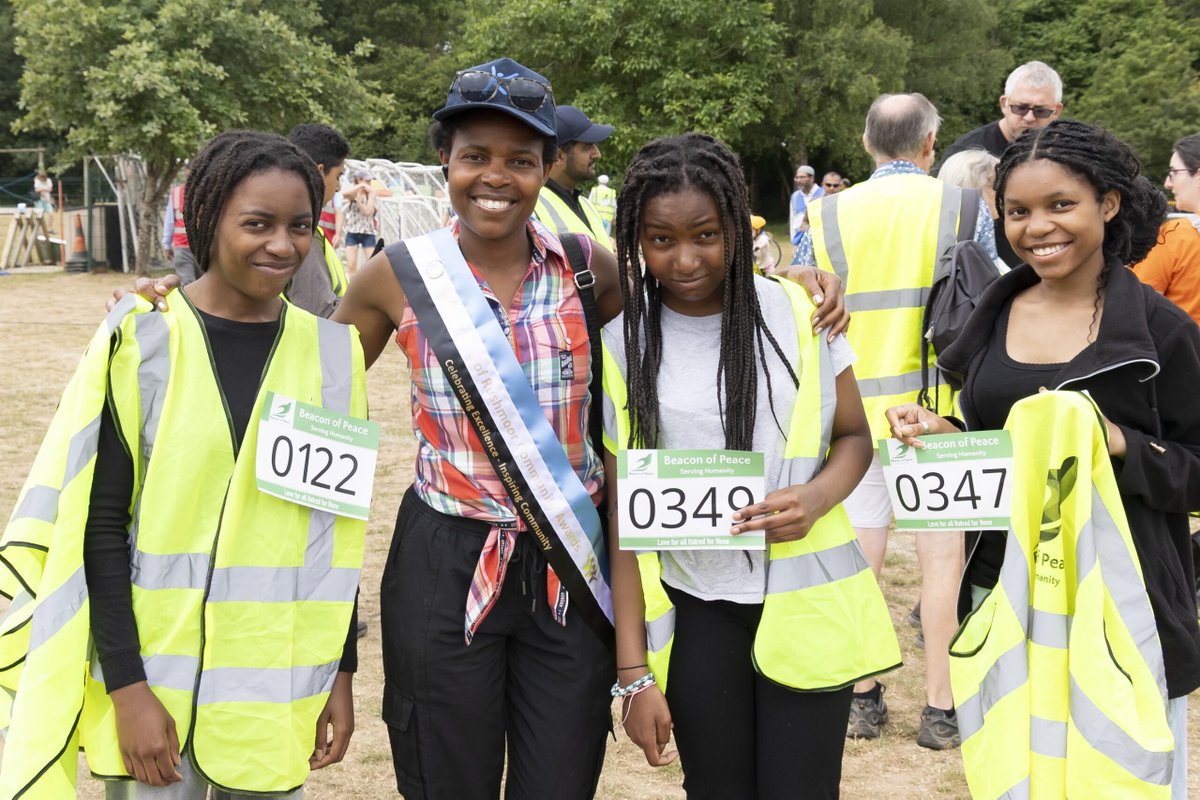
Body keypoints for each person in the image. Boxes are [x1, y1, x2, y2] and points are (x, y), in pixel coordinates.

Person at [110, 59, 848, 799]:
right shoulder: (394, 277)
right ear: (445, 160)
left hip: (567, 564)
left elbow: (694, 292)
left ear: (548, 167)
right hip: (444, 561)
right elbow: (301, 378)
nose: (496, 177)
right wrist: (189, 298)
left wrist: (796, 282)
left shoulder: (592, 272)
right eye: (475, 157)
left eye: (521, 160)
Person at [0, 130, 369, 798]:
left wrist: (338, 674)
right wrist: (128, 690)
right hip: (154, 700)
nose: (282, 244)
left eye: (300, 226)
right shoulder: (142, 340)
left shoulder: (335, 358)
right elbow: (102, 526)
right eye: (256, 224)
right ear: (207, 220)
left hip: (272, 692)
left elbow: (333, 535)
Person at [886, 119, 1200, 799]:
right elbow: (999, 438)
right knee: (1014, 773)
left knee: (1121, 780)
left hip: (1125, 604)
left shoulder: (1162, 332)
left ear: (1108, 204)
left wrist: (1120, 445)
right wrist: (945, 432)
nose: (1038, 228)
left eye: (1062, 205)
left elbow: (1194, 465)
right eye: (1018, 212)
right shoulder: (992, 319)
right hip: (1005, 589)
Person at [602, 132, 897, 799]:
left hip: (806, 607)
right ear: (637, 241)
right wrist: (634, 674)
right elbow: (621, 520)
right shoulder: (621, 344)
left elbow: (853, 435)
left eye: (705, 234)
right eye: (660, 240)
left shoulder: (800, 313)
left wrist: (818, 497)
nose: (685, 259)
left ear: (738, 224)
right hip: (699, 609)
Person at [789, 92, 997, 749]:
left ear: (866, 141)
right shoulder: (965, 207)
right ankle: (941, 709)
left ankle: (862, 696)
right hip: (937, 416)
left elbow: (798, 308)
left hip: (850, 417)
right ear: (932, 142)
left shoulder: (823, 215)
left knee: (859, 561)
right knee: (942, 566)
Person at [939, 61, 1065, 268]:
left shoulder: (1068, 151)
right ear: (1004, 103)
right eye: (1020, 108)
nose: (1029, 117)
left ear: (1057, 111)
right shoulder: (967, 155)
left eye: (1041, 111)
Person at [285, 123, 352, 319]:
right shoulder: (301, 235)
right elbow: (322, 315)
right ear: (319, 172)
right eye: (338, 176)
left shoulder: (295, 229)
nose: (339, 187)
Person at [1134, 133, 1200, 326]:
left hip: (1183, 351)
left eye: (1174, 172)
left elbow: (1134, 305)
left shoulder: (1175, 236)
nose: (1168, 183)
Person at [533, 104, 614, 251]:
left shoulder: (587, 205)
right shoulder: (532, 207)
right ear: (558, 157)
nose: (597, 154)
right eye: (587, 147)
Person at [938, 148, 1005, 271]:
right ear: (984, 186)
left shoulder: (934, 219)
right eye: (999, 186)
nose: (1003, 195)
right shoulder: (981, 222)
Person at [161, 163, 198, 285]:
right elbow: (170, 221)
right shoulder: (176, 193)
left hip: (199, 248)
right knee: (189, 284)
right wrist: (166, 244)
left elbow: (170, 222)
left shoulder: (209, 193)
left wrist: (167, 245)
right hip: (185, 247)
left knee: (192, 285)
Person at [340, 171, 378, 276]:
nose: (368, 183)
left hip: (368, 232)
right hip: (352, 231)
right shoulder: (353, 191)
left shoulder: (371, 193)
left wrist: (356, 201)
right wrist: (359, 186)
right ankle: (352, 290)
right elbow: (344, 194)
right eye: (366, 180)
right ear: (359, 179)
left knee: (371, 264)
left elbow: (368, 211)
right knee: (351, 265)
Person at [789, 165, 823, 245]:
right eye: (797, 177)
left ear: (811, 178)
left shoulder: (823, 193)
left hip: (819, 241)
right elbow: (792, 219)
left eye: (802, 177)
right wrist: (793, 241)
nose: (798, 180)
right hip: (800, 241)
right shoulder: (795, 196)